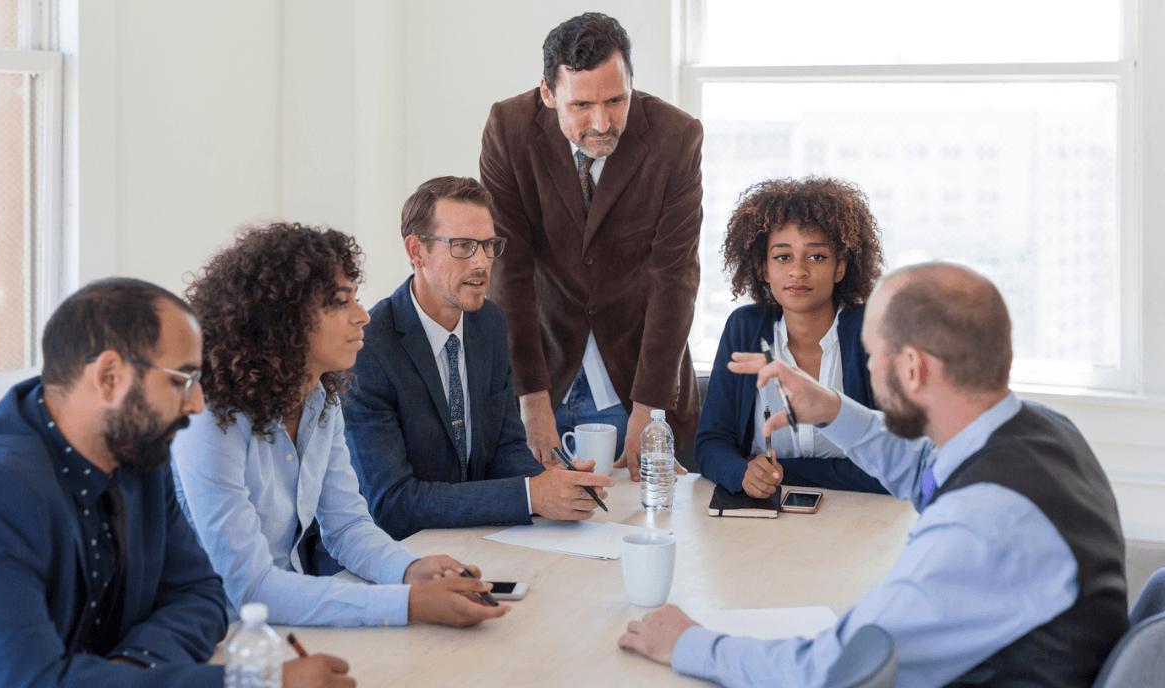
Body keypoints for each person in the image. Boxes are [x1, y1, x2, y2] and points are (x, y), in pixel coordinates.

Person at [619, 263, 1127, 686]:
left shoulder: (982, 523)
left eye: (872, 353)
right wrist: (832, 409)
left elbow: (835, 670)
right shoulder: (1039, 431)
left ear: (912, 369)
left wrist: (693, 644)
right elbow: (925, 469)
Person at [0, 278, 351, 687]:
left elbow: (201, 596)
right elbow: (34, 683)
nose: (197, 403)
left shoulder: (135, 450)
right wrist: (256, 679)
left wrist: (131, 671)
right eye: (183, 380)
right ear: (109, 377)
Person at [172, 222, 507, 630]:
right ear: (282, 319)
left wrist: (412, 569)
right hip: (215, 638)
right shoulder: (211, 418)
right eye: (339, 302)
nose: (362, 316)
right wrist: (408, 603)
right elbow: (249, 586)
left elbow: (346, 526)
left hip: (288, 622)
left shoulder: (319, 398)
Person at [480, 12, 702, 479]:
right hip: (542, 374)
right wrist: (531, 397)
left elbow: (674, 279)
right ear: (548, 93)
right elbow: (509, 272)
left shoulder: (676, 138)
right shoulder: (509, 129)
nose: (601, 123)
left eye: (616, 100)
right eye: (581, 105)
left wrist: (651, 410)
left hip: (634, 382)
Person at [344, 176, 614, 541]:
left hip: (474, 540)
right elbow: (393, 503)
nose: (482, 263)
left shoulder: (488, 323)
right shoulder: (369, 347)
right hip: (397, 556)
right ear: (416, 251)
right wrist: (531, 495)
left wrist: (554, 483)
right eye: (463, 246)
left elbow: (505, 448)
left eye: (488, 246)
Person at [698, 177, 887, 497]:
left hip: (862, 519)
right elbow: (710, 444)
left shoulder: (870, 332)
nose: (798, 272)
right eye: (783, 257)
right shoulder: (744, 328)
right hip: (766, 517)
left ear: (840, 267)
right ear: (763, 268)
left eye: (816, 257)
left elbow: (890, 464)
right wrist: (743, 473)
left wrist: (785, 470)